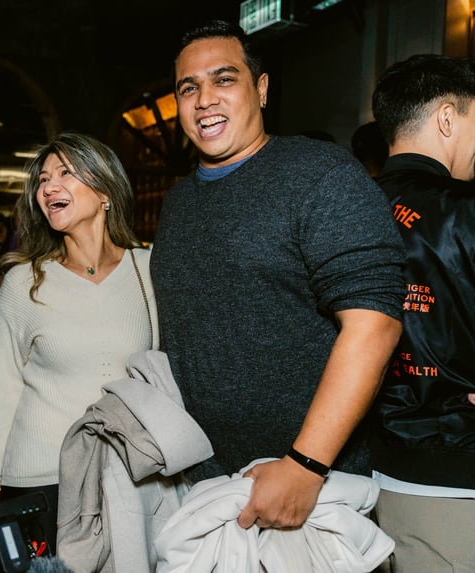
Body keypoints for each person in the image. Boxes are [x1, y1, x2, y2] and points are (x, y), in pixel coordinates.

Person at [149, 19, 406, 531]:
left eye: (224, 79)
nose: (205, 100)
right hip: (205, 488)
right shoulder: (178, 202)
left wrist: (305, 465)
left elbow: (375, 325)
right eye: (188, 88)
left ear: (261, 89)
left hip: (309, 492)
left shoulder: (318, 175)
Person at [0, 131, 159, 553]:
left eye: (65, 173)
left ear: (104, 191)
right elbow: (5, 382)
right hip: (41, 475)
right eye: (43, 180)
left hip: (128, 471)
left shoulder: (148, 269)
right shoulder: (24, 281)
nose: (49, 187)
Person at [369, 53, 475, 573]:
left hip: (360, 470)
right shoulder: (465, 210)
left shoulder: (342, 208)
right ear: (448, 118)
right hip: (455, 470)